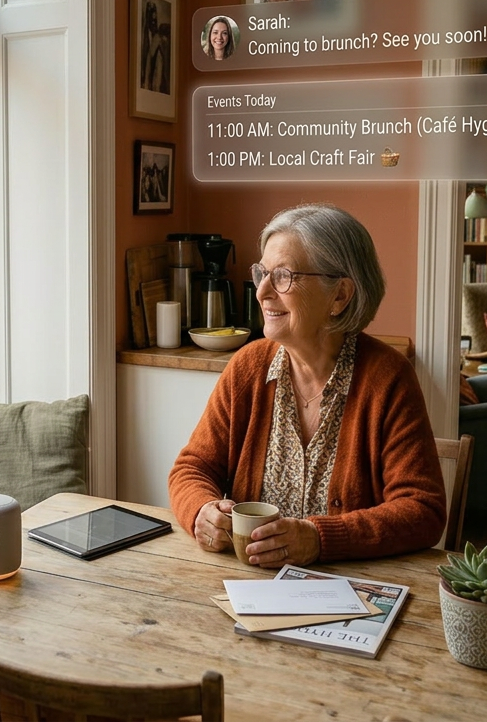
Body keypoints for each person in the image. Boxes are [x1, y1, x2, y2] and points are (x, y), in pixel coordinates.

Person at [168, 204, 445, 568]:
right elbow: (191, 468)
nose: (262, 291)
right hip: (246, 591)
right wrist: (202, 510)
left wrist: (319, 539)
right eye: (262, 273)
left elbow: (422, 511)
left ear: (340, 296)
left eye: (283, 276)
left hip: (351, 597)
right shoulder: (247, 368)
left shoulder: (387, 378)